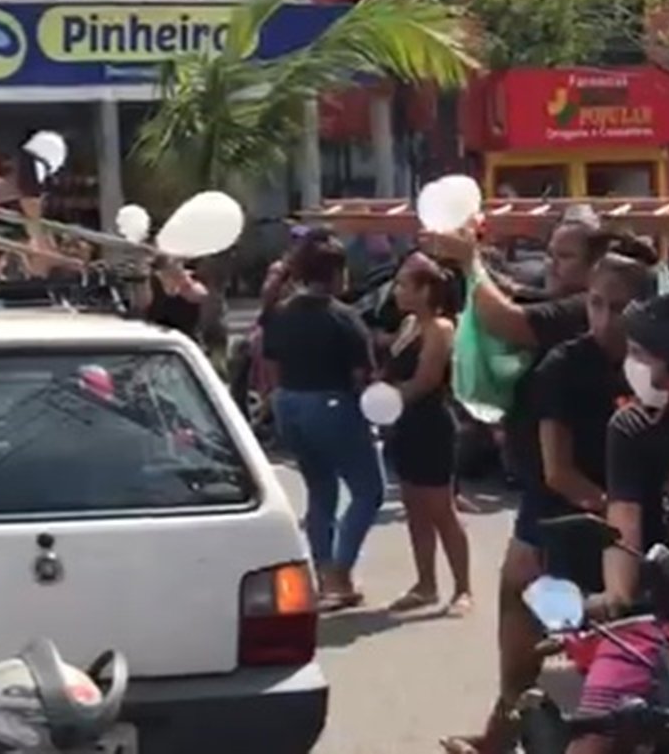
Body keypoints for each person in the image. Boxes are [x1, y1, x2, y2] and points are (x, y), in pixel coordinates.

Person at [432, 213, 630, 754]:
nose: (552, 263)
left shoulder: (579, 321)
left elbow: (510, 322)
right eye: (552, 252)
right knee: (532, 610)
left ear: (597, 269)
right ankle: (503, 732)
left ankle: (513, 733)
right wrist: (481, 262)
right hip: (560, 498)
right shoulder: (571, 320)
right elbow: (517, 297)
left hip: (587, 503)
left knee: (567, 621)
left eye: (565, 256)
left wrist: (471, 264)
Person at [565, 293, 669, 754]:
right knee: (592, 740)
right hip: (657, 618)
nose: (632, 364)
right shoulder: (631, 428)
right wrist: (615, 594)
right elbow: (622, 521)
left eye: (642, 355)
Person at [262, 233, 383, 610]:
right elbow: (365, 374)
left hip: (289, 402)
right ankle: (339, 574)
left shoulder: (281, 311)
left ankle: (322, 570)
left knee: (321, 490)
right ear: (336, 273)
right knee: (368, 490)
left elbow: (269, 359)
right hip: (330, 403)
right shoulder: (342, 316)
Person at [536, 254, 656, 594]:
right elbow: (558, 473)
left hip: (653, 533)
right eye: (595, 304)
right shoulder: (562, 368)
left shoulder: (658, 361)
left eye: (618, 308)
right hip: (583, 528)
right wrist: (619, 515)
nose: (604, 320)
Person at [383, 252, 472, 615]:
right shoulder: (409, 325)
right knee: (413, 506)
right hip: (404, 424)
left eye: (405, 284)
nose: (397, 290)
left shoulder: (441, 328)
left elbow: (425, 381)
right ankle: (425, 583)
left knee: (441, 510)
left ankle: (463, 589)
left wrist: (383, 401)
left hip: (431, 424)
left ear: (425, 290)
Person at [138, 256, 208, 341]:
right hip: (158, 338)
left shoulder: (190, 285)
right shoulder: (154, 284)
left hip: (185, 341)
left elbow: (199, 296)